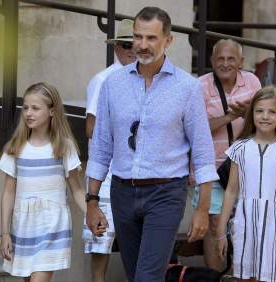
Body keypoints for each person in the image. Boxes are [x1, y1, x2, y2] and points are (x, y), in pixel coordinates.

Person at [86, 6, 217, 281]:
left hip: (166, 193)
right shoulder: (113, 84)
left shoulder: (187, 87)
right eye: (137, 37)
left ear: (168, 40)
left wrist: (202, 208)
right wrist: (92, 200)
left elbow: (203, 151)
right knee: (137, 276)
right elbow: (101, 145)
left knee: (147, 277)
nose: (142, 45)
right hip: (122, 192)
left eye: (151, 38)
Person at [0, 82, 86, 281]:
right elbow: (8, 193)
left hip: (52, 224)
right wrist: (4, 233)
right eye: (26, 108)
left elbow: (77, 190)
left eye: (36, 108)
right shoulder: (15, 147)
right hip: (24, 226)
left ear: (52, 111)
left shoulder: (64, 146)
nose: (29, 113)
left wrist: (93, 214)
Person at [216, 86, 276, 282]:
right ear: (251, 113)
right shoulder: (240, 147)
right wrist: (221, 231)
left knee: (275, 276)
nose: (265, 116)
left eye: (272, 112)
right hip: (246, 222)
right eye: (259, 111)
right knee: (246, 277)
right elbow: (231, 191)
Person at [192, 38, 261, 271]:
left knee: (247, 223)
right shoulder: (199, 86)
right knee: (213, 225)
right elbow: (194, 128)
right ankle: (215, 276)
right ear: (212, 61)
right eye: (220, 58)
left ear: (241, 61)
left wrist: (250, 113)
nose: (225, 63)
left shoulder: (252, 81)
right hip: (211, 168)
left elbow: (267, 118)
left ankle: (241, 274)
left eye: (231, 58)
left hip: (247, 166)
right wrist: (231, 116)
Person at [83, 19, 136, 282]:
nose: (131, 49)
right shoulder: (103, 79)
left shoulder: (143, 80)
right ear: (116, 47)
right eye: (126, 44)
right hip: (106, 173)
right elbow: (91, 127)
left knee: (133, 239)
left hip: (134, 172)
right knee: (100, 241)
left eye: (135, 43)